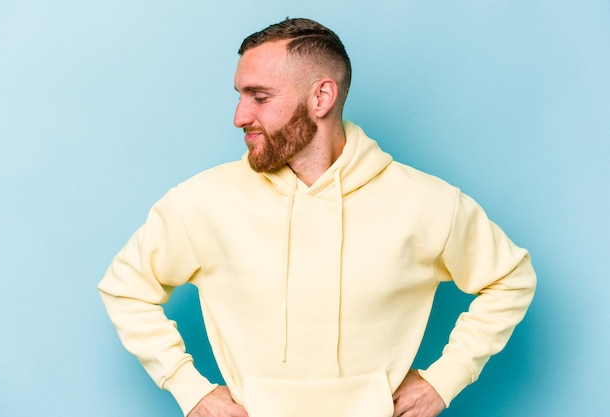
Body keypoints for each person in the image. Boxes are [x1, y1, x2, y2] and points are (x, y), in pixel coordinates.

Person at [98, 17, 536, 417]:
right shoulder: (200, 202)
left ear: (321, 96)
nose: (238, 117)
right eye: (240, 95)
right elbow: (125, 289)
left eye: (260, 97)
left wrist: (447, 377)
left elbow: (510, 278)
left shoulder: (426, 203)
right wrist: (189, 389)